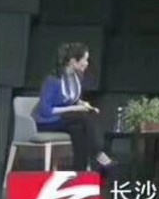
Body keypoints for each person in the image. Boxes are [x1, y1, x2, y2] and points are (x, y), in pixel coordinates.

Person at [35, 42, 116, 170]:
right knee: (82, 117)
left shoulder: (75, 77)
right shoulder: (53, 80)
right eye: (85, 59)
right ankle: (99, 153)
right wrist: (75, 108)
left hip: (66, 120)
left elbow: (70, 99)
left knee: (77, 129)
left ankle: (80, 170)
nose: (87, 63)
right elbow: (45, 110)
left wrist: (83, 104)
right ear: (73, 61)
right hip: (47, 121)